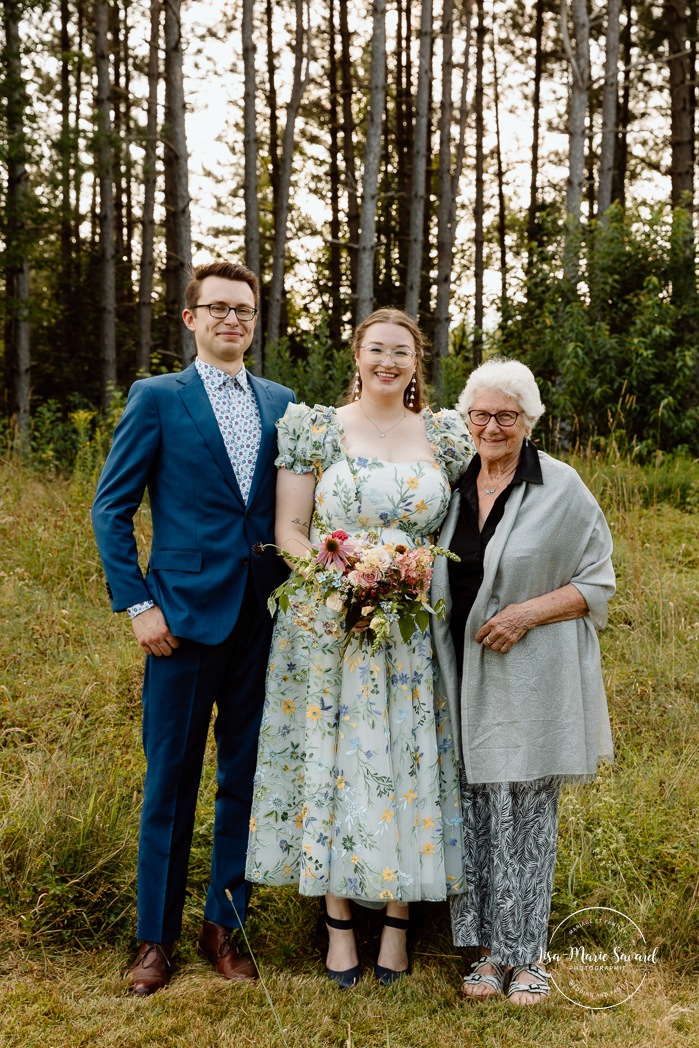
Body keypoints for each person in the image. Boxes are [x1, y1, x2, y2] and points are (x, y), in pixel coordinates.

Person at [245, 308, 474, 988]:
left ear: (415, 362)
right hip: (327, 626)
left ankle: (399, 924)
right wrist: (342, 579)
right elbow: (289, 529)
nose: (387, 361)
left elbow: (472, 520)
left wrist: (408, 579)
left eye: (400, 352)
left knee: (407, 759)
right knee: (333, 759)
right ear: (356, 355)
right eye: (376, 349)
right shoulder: (316, 427)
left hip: (411, 629)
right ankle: (338, 926)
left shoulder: (445, 436)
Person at [91, 261, 295, 996]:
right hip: (178, 622)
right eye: (217, 309)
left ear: (254, 319)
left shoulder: (282, 403)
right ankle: (154, 939)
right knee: (169, 783)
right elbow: (110, 509)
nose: (232, 320)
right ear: (190, 319)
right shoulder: (157, 398)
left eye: (243, 309)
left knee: (244, 779)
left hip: (263, 620)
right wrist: (138, 606)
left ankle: (225, 927)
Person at [430, 358, 615, 1005]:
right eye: (479, 414)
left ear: (528, 420)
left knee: (526, 815)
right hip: (460, 673)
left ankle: (529, 956)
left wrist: (525, 613)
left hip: (530, 675)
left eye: (505, 415)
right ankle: (484, 954)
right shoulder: (450, 484)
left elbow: (597, 581)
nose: (491, 426)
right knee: (476, 812)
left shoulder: (560, 486)